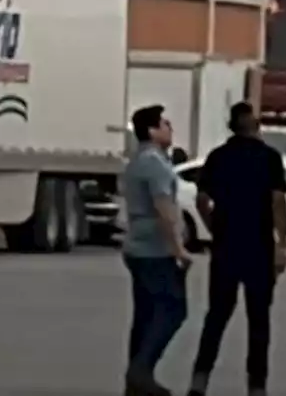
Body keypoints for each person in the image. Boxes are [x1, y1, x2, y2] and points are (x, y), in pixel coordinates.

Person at [187, 102, 286, 396]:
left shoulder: (218, 157)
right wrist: (282, 243)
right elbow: (277, 202)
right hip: (259, 247)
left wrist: (214, 228)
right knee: (259, 320)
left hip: (226, 247)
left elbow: (201, 200)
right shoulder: (270, 158)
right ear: (255, 125)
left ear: (231, 126)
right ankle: (256, 387)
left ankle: (199, 381)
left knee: (216, 316)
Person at [121, 105, 191, 396]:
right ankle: (141, 370)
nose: (170, 128)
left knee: (146, 315)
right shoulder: (154, 163)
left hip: (138, 247)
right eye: (165, 123)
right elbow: (164, 208)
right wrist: (179, 250)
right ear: (151, 130)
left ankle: (136, 380)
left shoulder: (139, 160)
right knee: (174, 309)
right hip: (154, 250)